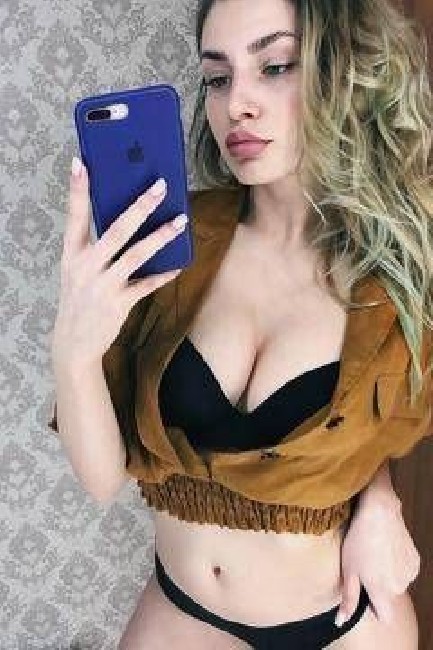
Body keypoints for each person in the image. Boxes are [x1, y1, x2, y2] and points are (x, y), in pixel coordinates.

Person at [49, 0, 432, 648]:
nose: (236, 106)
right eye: (218, 78)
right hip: (180, 615)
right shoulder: (172, 240)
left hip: (341, 626)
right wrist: (73, 349)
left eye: (274, 66)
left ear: (341, 69)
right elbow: (103, 478)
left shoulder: (399, 276)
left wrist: (378, 498)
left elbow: (363, 422)